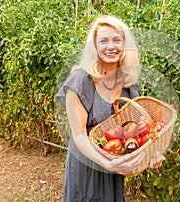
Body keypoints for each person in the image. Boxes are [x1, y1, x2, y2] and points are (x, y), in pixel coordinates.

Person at [57, 15, 165, 202]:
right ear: (95, 47)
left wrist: (149, 154)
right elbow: (79, 135)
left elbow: (132, 133)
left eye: (117, 40)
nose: (111, 46)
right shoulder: (80, 81)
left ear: (125, 45)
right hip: (87, 166)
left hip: (114, 164)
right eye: (103, 41)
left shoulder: (129, 84)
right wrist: (108, 163)